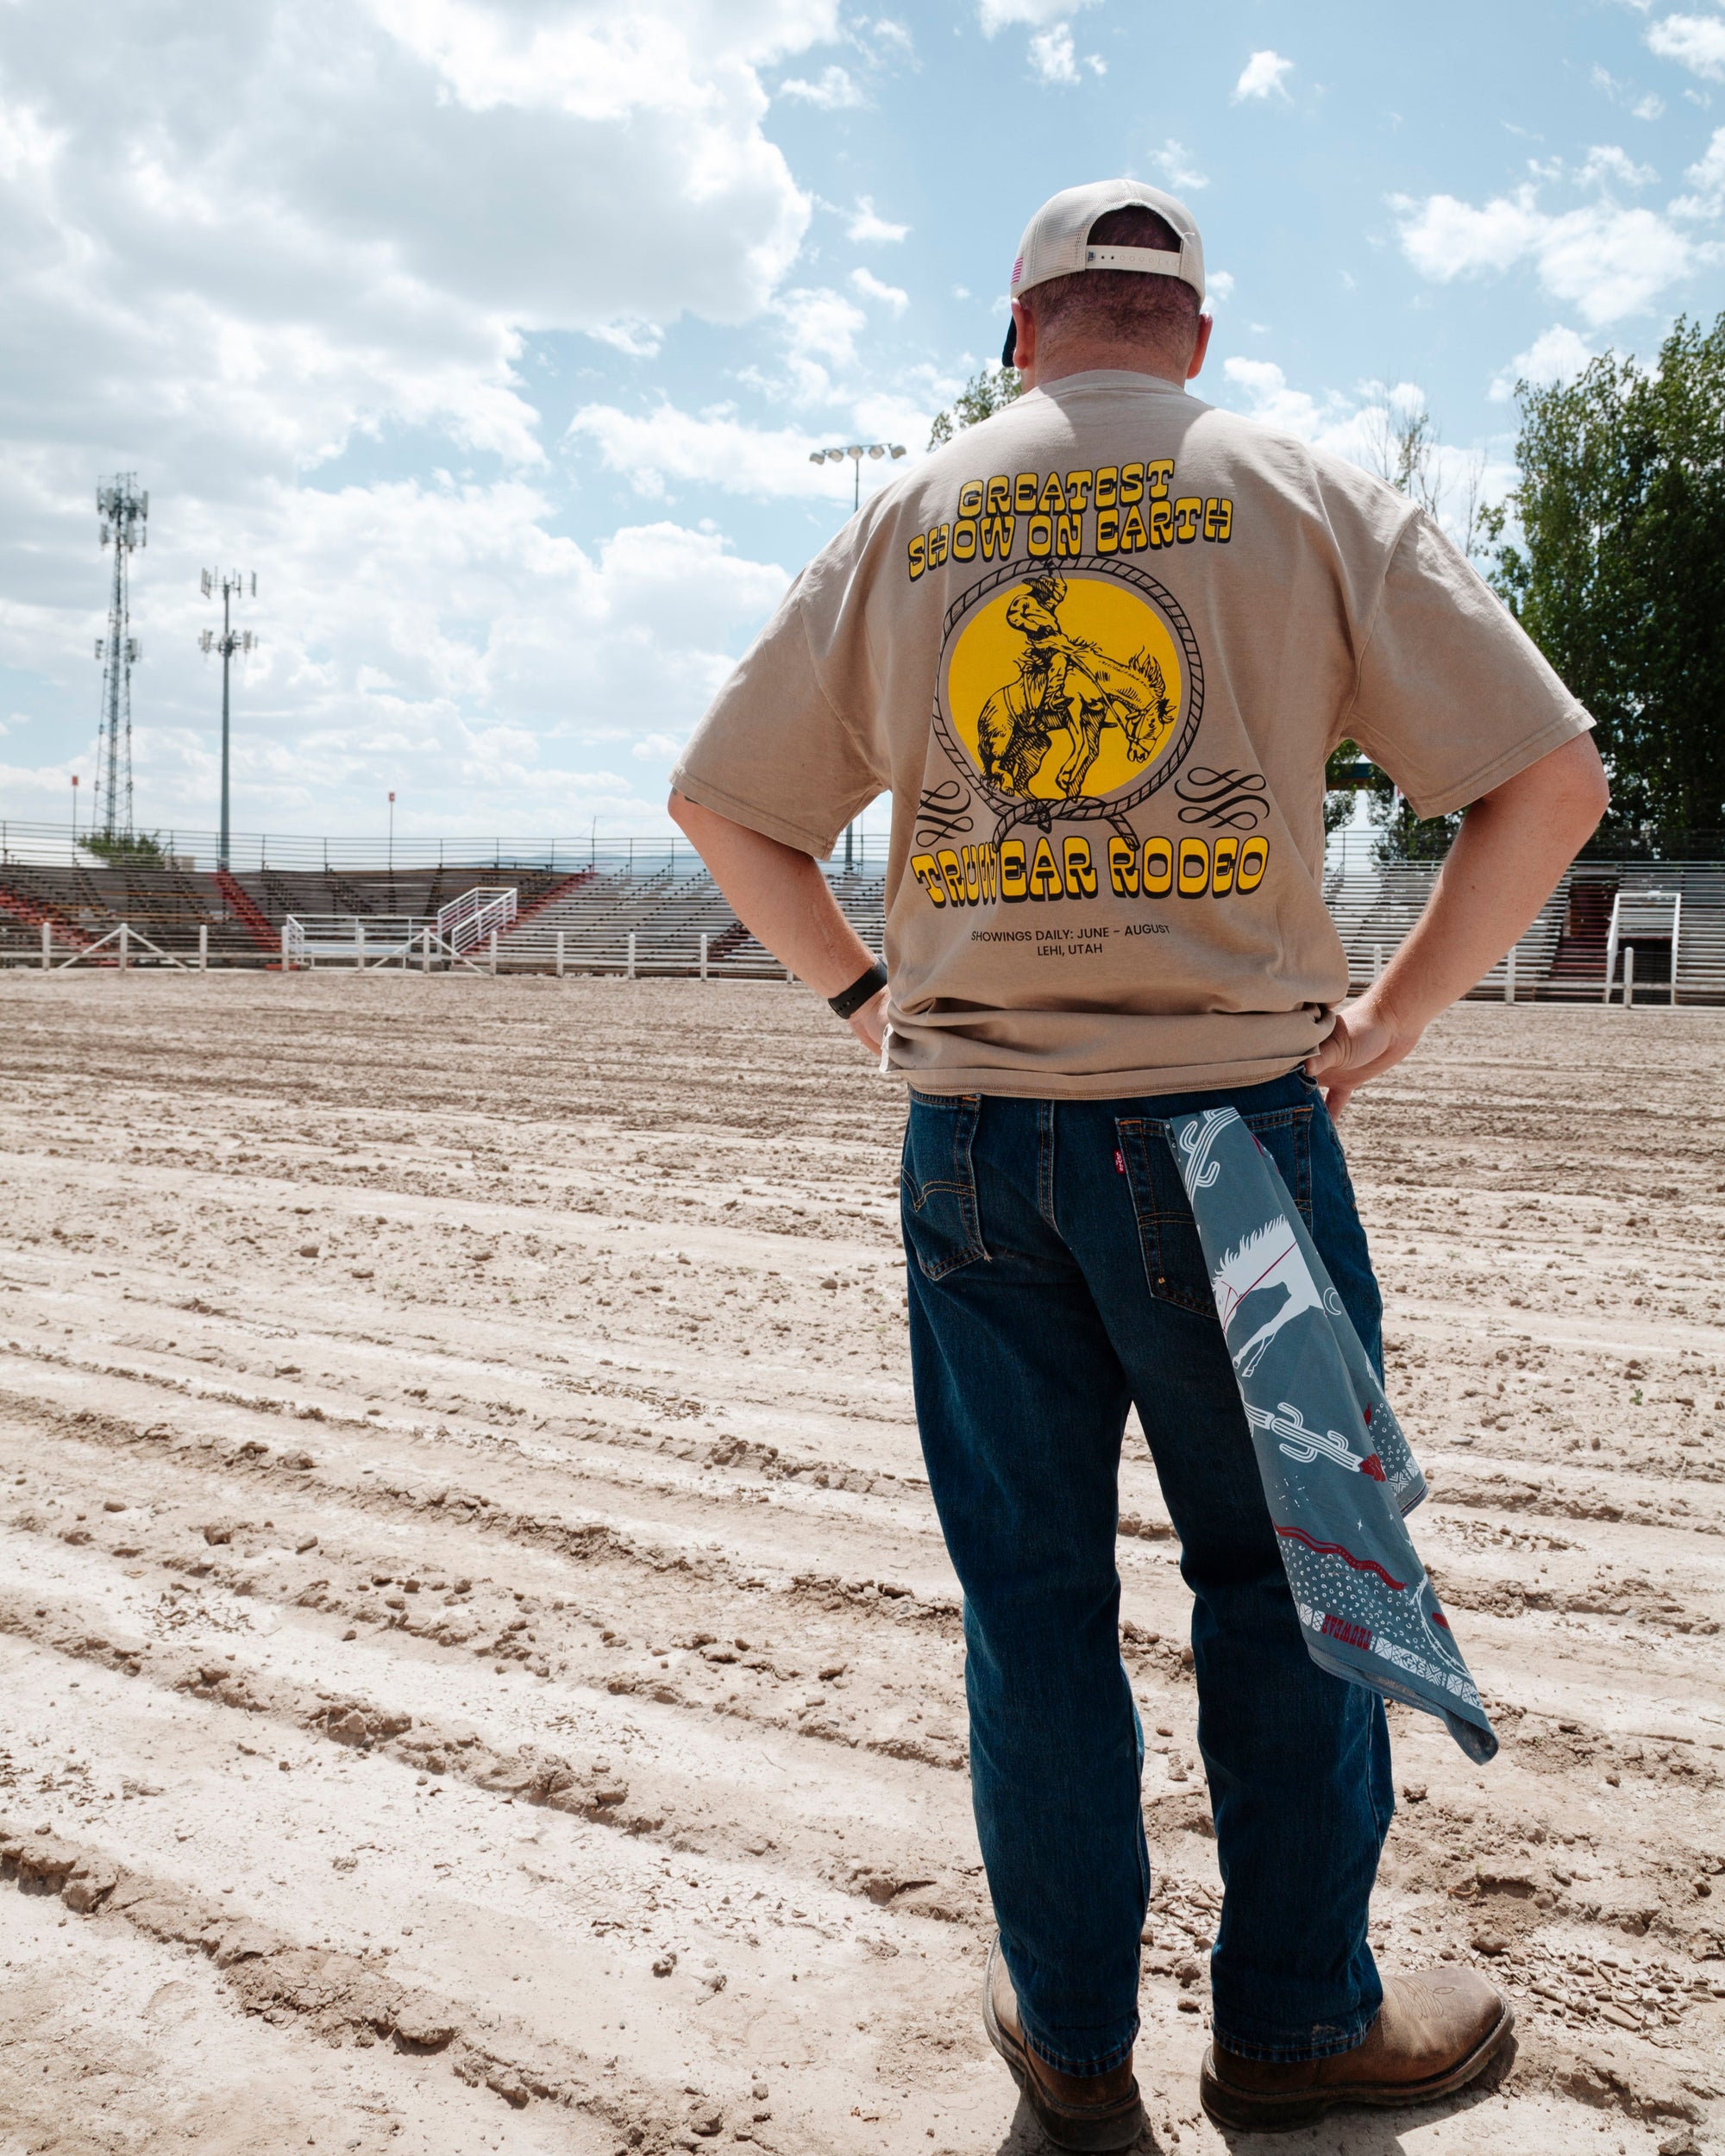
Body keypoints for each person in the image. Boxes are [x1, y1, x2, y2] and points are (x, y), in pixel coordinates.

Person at [668, 179, 1607, 2147]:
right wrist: (1401, 1013)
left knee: (1027, 1604)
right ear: (1189, 331)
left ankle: (1074, 2052)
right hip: (1234, 1148)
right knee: (1289, 1591)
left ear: (1020, 331)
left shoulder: (912, 512)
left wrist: (864, 1002)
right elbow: (1551, 780)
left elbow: (722, 801)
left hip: (974, 1148)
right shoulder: (1298, 486)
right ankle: (1290, 2024)